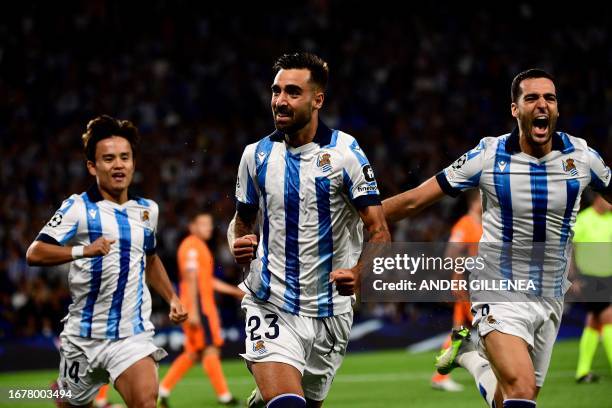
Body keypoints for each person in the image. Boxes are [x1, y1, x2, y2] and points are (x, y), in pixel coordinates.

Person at [382, 69, 612, 408]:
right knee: (520, 391)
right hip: (499, 288)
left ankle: (472, 357)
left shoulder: (583, 158)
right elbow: (416, 198)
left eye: (549, 98)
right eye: (531, 98)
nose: (542, 104)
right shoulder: (488, 156)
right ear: (515, 109)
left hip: (551, 295)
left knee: (514, 398)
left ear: (558, 109)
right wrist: (355, 216)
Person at [228, 52, 391, 408]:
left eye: (292, 92)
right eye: (276, 91)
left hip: (331, 312)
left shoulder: (346, 154)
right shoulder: (255, 156)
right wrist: (239, 244)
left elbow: (378, 231)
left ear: (317, 99)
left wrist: (358, 273)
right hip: (270, 302)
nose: (280, 101)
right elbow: (242, 220)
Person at [26, 115, 188, 407]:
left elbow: (150, 259)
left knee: (146, 401)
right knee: (70, 403)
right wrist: (82, 251)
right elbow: (35, 253)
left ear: (133, 163)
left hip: (131, 334)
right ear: (92, 166)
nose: (118, 165)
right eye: (109, 158)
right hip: (82, 338)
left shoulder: (148, 211)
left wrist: (172, 296)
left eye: (125, 157)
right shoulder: (77, 208)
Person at [158, 211, 244, 407]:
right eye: (204, 224)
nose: (209, 228)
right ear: (192, 227)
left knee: (194, 352)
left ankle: (163, 390)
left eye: (210, 224)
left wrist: (236, 292)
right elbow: (191, 280)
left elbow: (207, 280)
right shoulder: (192, 248)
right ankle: (224, 396)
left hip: (200, 306)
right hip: (200, 308)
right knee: (210, 350)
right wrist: (195, 312)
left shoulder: (198, 247)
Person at [430, 189, 482, 392]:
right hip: (465, 287)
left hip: (477, 286)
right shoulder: (465, 224)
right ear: (476, 201)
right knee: (474, 328)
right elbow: (450, 255)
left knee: (461, 331)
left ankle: (439, 376)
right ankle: (440, 376)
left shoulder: (482, 225)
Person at [572, 194, 612, 383]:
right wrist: (574, 278)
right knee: (608, 317)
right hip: (590, 278)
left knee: (594, 321)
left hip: (608, 277)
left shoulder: (610, 219)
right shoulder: (583, 220)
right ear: (598, 198)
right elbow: (570, 250)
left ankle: (582, 371)